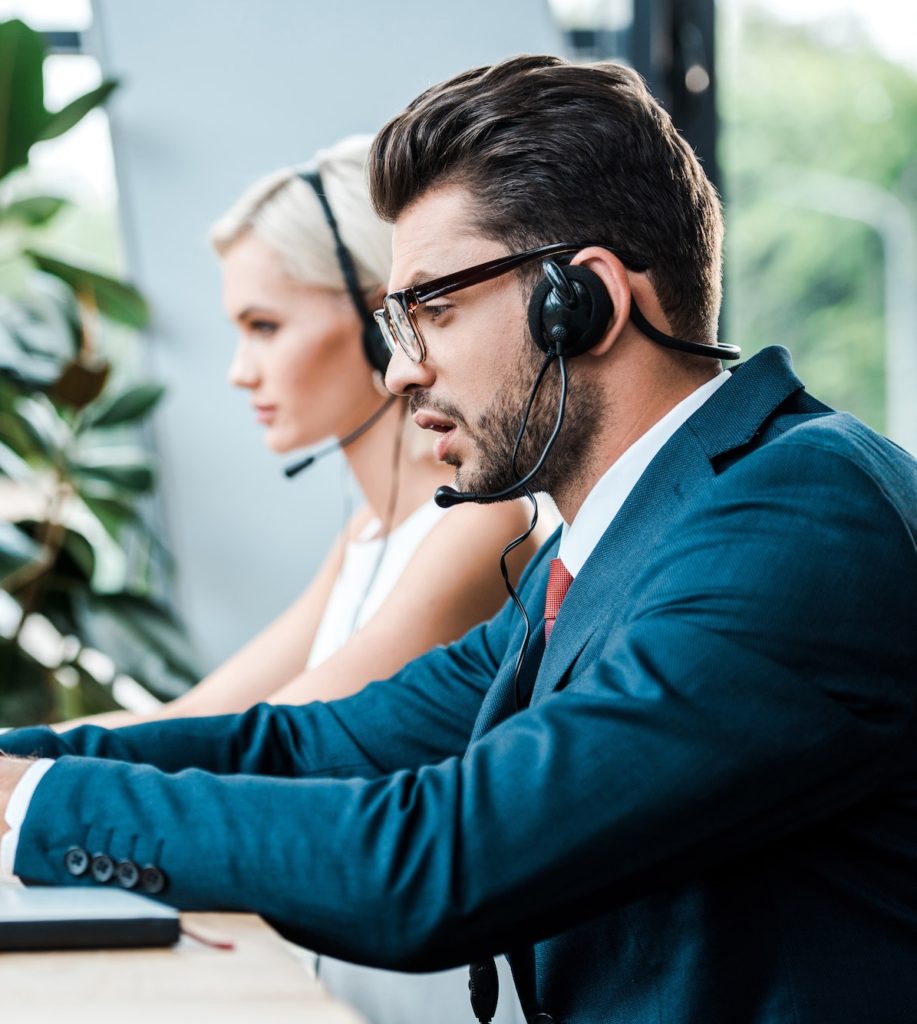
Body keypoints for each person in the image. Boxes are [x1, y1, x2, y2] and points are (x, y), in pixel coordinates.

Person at [2, 55, 917, 1024]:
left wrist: (37, 804)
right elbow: (316, 746)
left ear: (583, 302)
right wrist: (22, 766)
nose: (400, 372)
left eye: (431, 308)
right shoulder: (612, 546)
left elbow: (438, 863)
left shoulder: (799, 522)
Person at [53, 134, 543, 1023]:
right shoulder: (366, 535)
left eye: (266, 327)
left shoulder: (478, 528)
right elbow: (191, 725)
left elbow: (288, 744)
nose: (242, 372)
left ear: (374, 322)